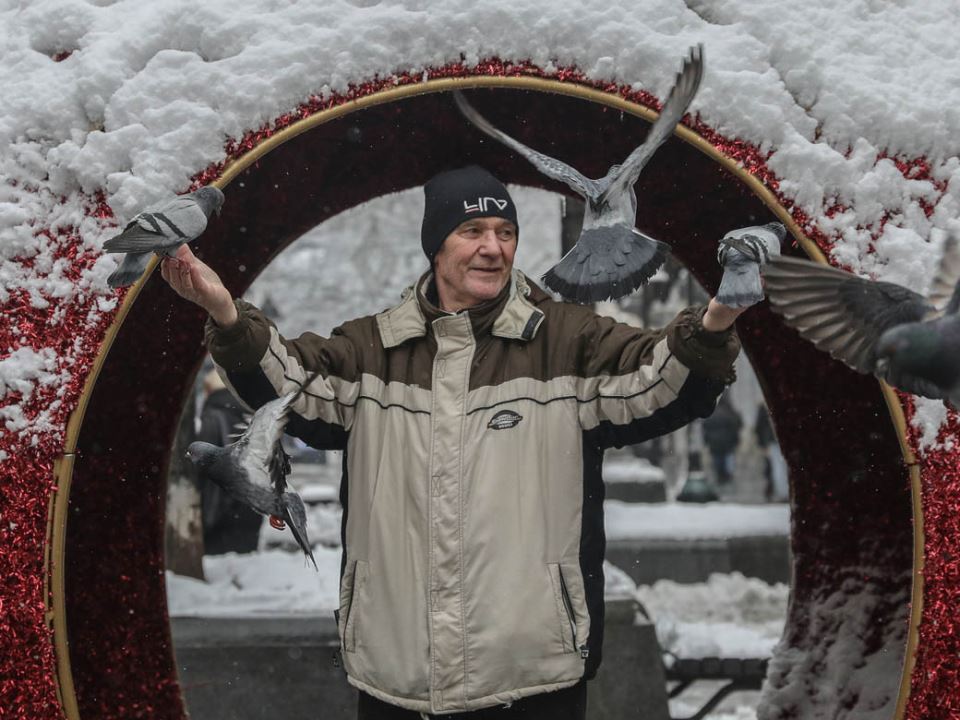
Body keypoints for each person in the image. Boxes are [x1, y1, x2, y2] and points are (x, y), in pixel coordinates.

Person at [160, 166, 745, 719]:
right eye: (472, 230)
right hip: (397, 675)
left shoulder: (567, 341)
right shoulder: (371, 351)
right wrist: (224, 311)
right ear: (435, 247)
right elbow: (286, 381)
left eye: (506, 231)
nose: (493, 247)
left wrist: (714, 323)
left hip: (531, 674)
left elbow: (658, 380)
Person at [195, 368, 264, 554]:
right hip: (251, 509)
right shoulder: (254, 415)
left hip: (221, 514)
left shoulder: (213, 415)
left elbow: (202, 466)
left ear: (210, 389)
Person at [701, 393, 742, 486]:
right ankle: (727, 476)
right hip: (727, 442)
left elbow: (705, 428)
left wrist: (706, 441)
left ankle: (720, 476)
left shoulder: (711, 413)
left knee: (717, 459)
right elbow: (736, 424)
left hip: (714, 442)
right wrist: (735, 439)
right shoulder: (729, 411)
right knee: (727, 458)